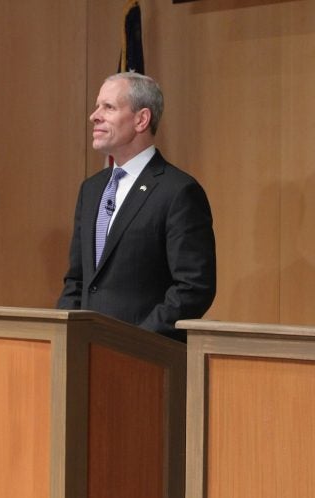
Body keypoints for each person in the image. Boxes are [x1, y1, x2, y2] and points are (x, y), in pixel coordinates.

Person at [57, 72, 216, 341]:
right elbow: (78, 279)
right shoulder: (91, 189)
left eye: (108, 107)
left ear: (141, 119)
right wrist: (64, 334)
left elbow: (193, 287)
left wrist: (134, 341)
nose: (94, 116)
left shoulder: (178, 191)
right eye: (98, 106)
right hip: (84, 352)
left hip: (143, 358)